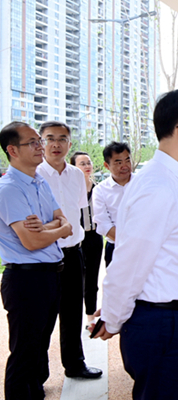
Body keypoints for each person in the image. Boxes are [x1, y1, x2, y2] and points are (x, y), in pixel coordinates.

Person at [92, 89, 178, 400]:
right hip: (160, 323)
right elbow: (129, 263)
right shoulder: (158, 187)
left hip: (168, 319)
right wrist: (112, 314)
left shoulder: (169, 181)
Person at [0, 121, 73, 400]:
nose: (40, 147)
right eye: (32, 142)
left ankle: (34, 393)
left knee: (39, 347)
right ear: (12, 150)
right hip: (25, 279)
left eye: (37, 142)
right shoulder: (9, 189)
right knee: (24, 351)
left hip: (50, 274)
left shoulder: (39, 181)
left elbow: (65, 221)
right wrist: (57, 229)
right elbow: (31, 242)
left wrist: (51, 228)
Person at [37, 121, 102, 379]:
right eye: (50, 138)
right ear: (41, 143)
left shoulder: (77, 175)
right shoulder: (35, 175)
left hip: (74, 252)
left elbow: (77, 209)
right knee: (42, 319)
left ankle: (75, 364)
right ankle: (38, 374)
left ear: (69, 144)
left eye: (62, 139)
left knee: (73, 313)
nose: (56, 144)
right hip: (44, 255)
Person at [71, 151, 103, 328]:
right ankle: (73, 318)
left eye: (88, 162)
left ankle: (91, 317)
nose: (87, 166)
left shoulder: (98, 188)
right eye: (82, 163)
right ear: (74, 167)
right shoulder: (71, 190)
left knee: (92, 278)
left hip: (94, 237)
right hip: (77, 239)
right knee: (77, 280)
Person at [92, 141, 133, 267]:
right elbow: (104, 224)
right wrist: (131, 242)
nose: (125, 166)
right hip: (116, 248)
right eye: (118, 162)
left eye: (127, 160)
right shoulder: (100, 190)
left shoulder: (144, 184)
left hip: (146, 248)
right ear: (106, 165)